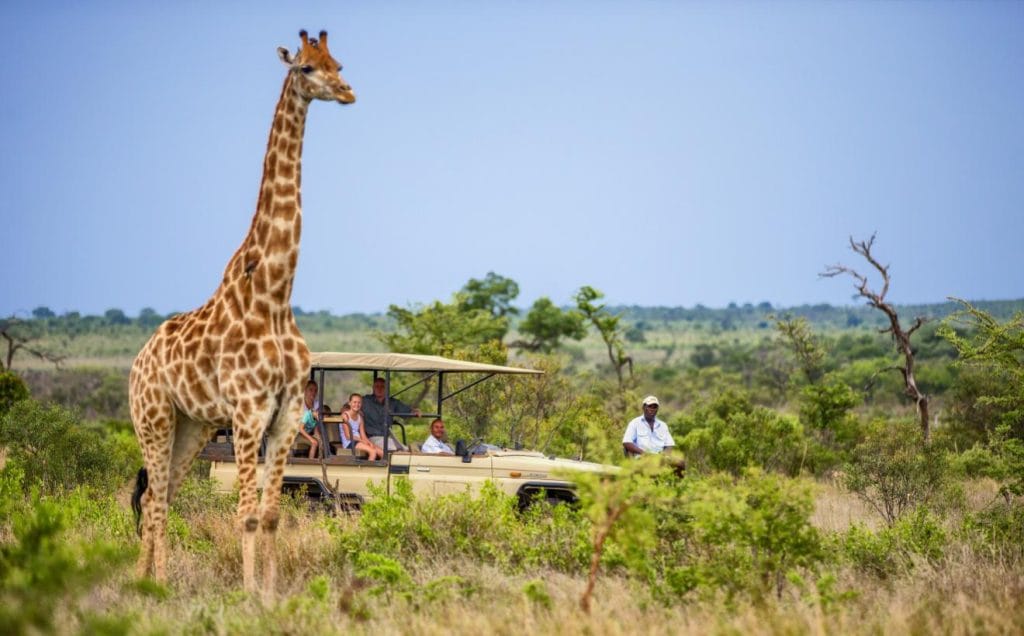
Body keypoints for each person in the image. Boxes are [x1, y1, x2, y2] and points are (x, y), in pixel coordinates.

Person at [362, 377, 421, 452]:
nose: (379, 389)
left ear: (387, 389)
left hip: (387, 437)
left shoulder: (393, 402)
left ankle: (409, 451)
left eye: (382, 387)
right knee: (391, 447)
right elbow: (351, 405)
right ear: (373, 388)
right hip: (371, 437)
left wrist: (414, 411)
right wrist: (346, 410)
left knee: (401, 448)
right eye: (377, 386)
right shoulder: (365, 401)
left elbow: (408, 411)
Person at [343, 393, 384, 460]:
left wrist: (369, 443)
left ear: (361, 404)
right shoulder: (345, 416)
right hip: (349, 442)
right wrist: (362, 441)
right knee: (372, 452)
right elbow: (348, 436)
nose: (357, 404)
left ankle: (379, 470)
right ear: (349, 403)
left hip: (359, 441)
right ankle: (368, 470)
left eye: (359, 403)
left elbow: (363, 435)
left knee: (382, 453)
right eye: (354, 402)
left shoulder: (360, 418)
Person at [297, 380, 322, 459]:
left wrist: (318, 435)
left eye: (315, 390)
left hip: (308, 431)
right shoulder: (299, 404)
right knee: (314, 443)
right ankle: (310, 464)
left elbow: (314, 422)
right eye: (310, 390)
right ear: (305, 391)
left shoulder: (316, 404)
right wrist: (311, 439)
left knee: (322, 441)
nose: (313, 393)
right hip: (297, 433)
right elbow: (299, 428)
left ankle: (322, 462)